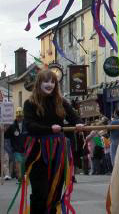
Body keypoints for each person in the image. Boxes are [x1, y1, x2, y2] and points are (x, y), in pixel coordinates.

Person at [23, 69, 83, 213]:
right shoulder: (30, 103)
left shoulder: (61, 102)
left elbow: (74, 117)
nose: (49, 84)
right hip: (38, 153)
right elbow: (30, 126)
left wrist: (79, 123)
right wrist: (50, 129)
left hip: (58, 152)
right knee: (40, 192)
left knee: (55, 189)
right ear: (39, 83)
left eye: (52, 82)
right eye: (46, 81)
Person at [5, 107, 27, 182]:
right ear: (16, 117)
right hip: (16, 148)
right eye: (18, 116)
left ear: (23, 116)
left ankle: (22, 176)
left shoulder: (26, 125)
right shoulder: (12, 126)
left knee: (23, 163)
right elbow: (6, 136)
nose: (19, 118)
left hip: (25, 148)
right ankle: (20, 178)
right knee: (18, 162)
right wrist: (4, 130)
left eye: (21, 116)